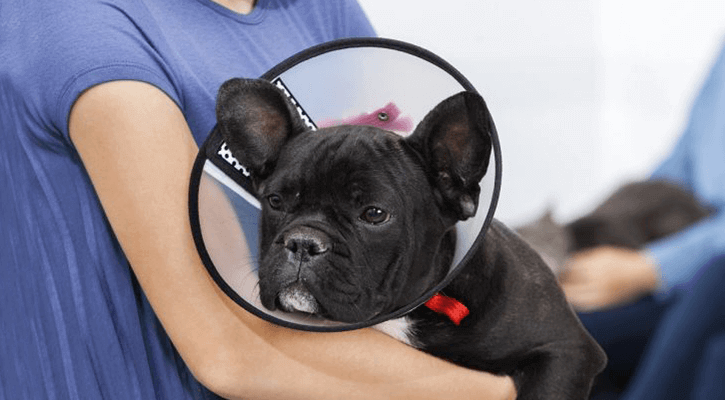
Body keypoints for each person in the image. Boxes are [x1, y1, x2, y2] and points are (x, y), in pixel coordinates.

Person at [0, 0, 516, 399]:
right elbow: (228, 347)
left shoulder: (320, 9)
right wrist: (502, 390)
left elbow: (403, 203)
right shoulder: (80, 25)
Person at [560, 40, 725, 399]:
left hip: (704, 271)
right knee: (556, 337)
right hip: (682, 258)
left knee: (718, 277)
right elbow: (676, 176)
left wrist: (651, 269)